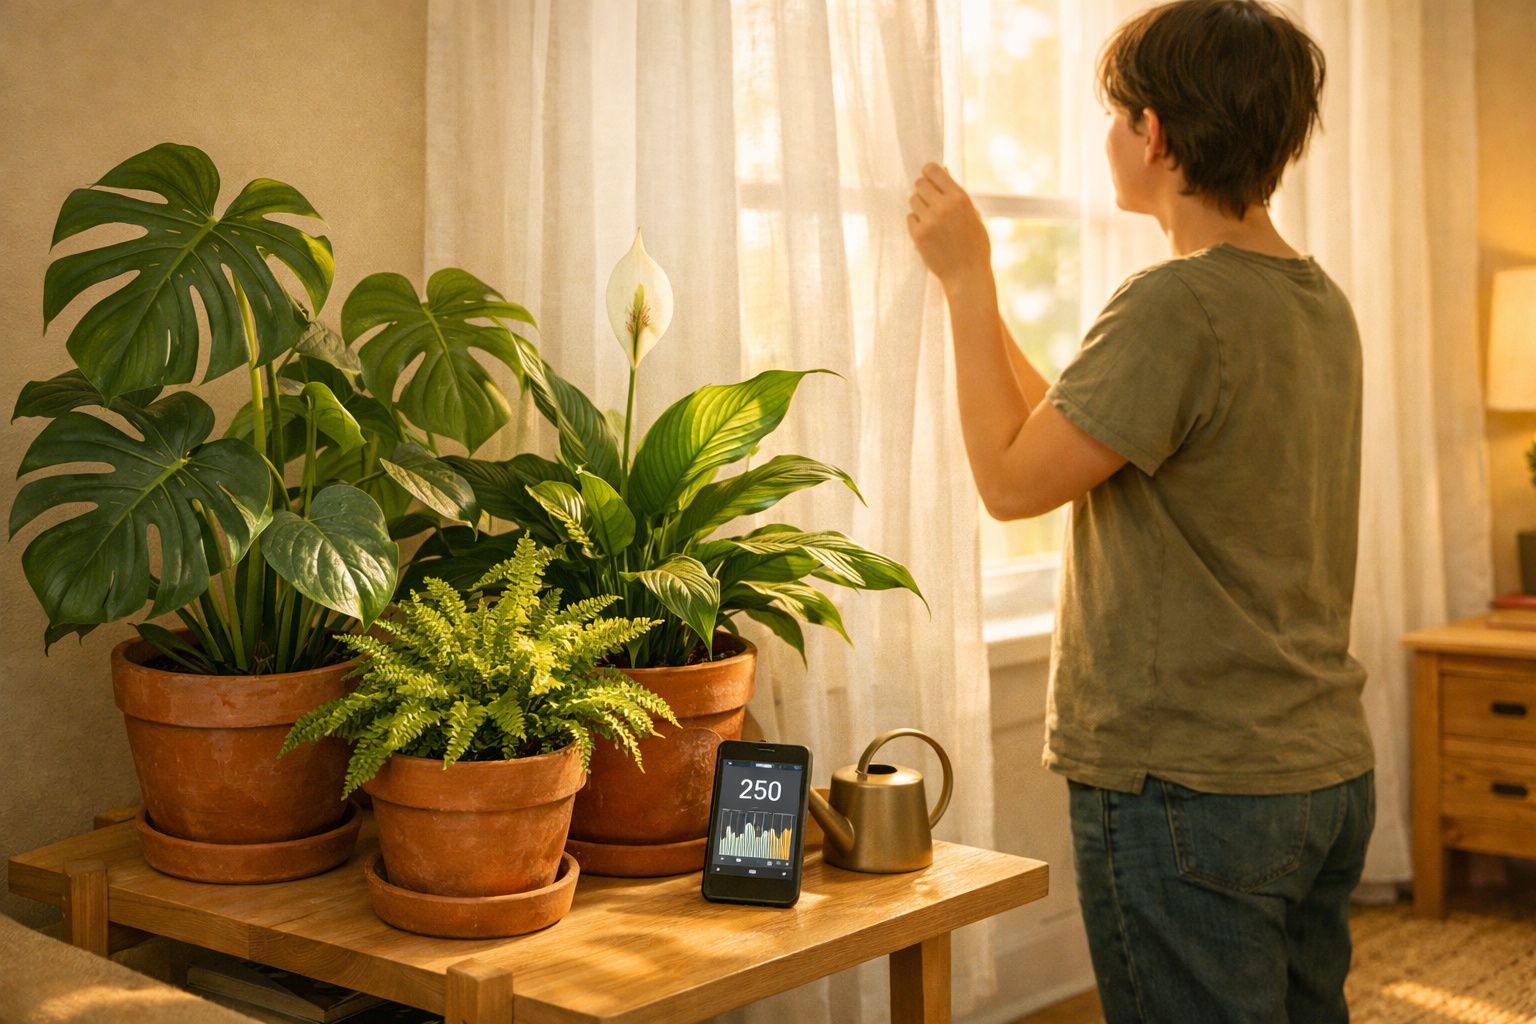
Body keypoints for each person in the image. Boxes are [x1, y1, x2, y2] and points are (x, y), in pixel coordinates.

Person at [906, 2, 1374, 1021]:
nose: (1109, 135)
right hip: (1319, 775)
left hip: (1191, 791)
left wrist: (967, 279)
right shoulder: (1318, 301)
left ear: (1153, 132)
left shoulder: (1174, 303)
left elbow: (1009, 481)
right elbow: (1074, 431)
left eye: (1115, 114)